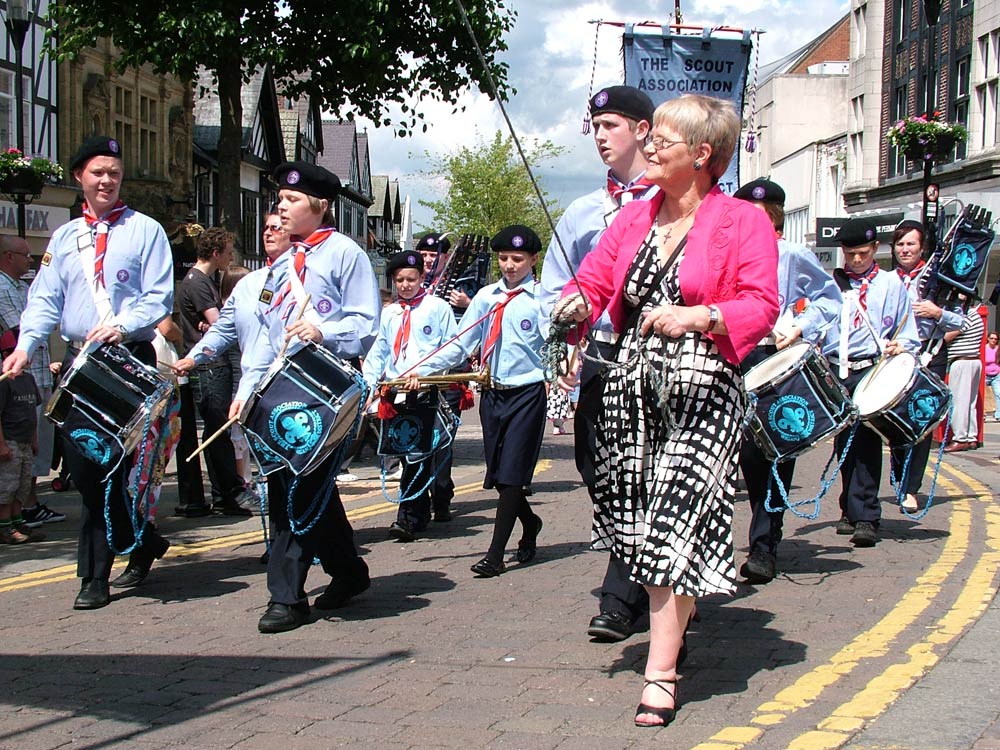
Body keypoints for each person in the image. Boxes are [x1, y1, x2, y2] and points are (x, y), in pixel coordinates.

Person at [553, 94, 779, 728]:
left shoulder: (742, 221)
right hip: (632, 393)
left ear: (702, 155)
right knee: (640, 525)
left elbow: (760, 304)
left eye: (664, 141)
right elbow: (595, 281)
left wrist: (702, 315)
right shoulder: (633, 219)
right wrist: (573, 307)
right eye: (648, 138)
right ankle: (676, 613)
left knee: (674, 522)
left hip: (703, 391)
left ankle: (661, 672)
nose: (648, 147)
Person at [3, 134, 174, 610]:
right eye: (98, 172)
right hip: (80, 363)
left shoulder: (146, 230)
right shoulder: (63, 237)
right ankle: (142, 542)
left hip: (127, 360)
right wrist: (25, 347)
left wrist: (120, 326)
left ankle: (92, 576)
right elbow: (44, 300)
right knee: (84, 467)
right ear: (79, 176)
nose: (107, 180)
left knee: (117, 465)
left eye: (114, 173)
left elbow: (158, 297)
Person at [232, 161, 379, 633]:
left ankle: (287, 597)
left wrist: (324, 329)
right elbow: (265, 337)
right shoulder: (278, 267)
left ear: (320, 205)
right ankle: (349, 571)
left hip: (325, 390)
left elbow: (365, 322)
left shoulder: (344, 254)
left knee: (295, 488)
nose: (282, 208)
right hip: (279, 390)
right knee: (297, 484)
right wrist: (246, 390)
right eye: (280, 200)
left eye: (292, 200)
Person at [539, 84, 657, 643]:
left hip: (658, 355)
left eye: (610, 125)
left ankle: (622, 596)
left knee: (643, 474)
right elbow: (553, 287)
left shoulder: (670, 202)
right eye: (595, 127)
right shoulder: (585, 211)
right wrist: (563, 335)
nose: (600, 137)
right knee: (597, 467)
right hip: (601, 355)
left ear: (642, 129)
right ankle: (663, 578)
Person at [408, 225, 548, 577]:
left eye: (518, 259)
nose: (510, 266)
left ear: (533, 260)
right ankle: (530, 524)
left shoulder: (544, 299)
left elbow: (560, 343)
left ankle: (496, 554)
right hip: (493, 394)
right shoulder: (487, 298)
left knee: (515, 475)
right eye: (503, 259)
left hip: (527, 393)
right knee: (500, 477)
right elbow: (460, 342)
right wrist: (420, 369)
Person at [732, 178, 842, 584]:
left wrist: (798, 326)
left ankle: (764, 544)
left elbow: (830, 298)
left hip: (772, 356)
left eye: (763, 219)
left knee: (774, 452)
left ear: (776, 221)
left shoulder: (791, 254)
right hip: (730, 356)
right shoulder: (723, 255)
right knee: (733, 454)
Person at [824, 217, 919, 547]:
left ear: (875, 249)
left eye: (863, 253)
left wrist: (899, 345)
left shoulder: (892, 286)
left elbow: (909, 335)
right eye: (850, 254)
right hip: (836, 369)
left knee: (865, 441)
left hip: (871, 367)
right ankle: (849, 508)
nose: (857, 260)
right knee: (843, 443)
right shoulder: (831, 285)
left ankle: (866, 514)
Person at [362, 250, 457, 542]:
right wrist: (367, 384)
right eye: (400, 280)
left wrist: (424, 369)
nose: (405, 285)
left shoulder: (437, 308)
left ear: (421, 278)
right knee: (403, 452)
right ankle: (418, 508)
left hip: (425, 388)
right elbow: (379, 351)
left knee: (419, 453)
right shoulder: (390, 313)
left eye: (411, 279)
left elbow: (452, 347)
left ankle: (408, 517)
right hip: (396, 391)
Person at [888, 220, 964, 512]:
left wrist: (938, 312)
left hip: (930, 354)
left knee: (921, 422)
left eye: (911, 244)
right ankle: (899, 477)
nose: (905, 250)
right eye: (900, 244)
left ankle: (911, 488)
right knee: (897, 422)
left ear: (922, 248)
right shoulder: (886, 280)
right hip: (896, 357)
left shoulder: (938, 281)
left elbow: (961, 320)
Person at [178, 227, 250, 516]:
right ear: (217, 252)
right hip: (209, 365)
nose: (230, 257)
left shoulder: (202, 281)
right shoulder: (198, 282)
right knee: (217, 430)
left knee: (216, 429)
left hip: (210, 364)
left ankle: (224, 493)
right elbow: (220, 323)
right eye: (229, 252)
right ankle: (227, 494)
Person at [0, 235, 64, 528]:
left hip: (38, 376)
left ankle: (30, 502)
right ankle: (23, 506)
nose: (31, 261)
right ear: (8, 256)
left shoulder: (22, 287)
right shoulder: (2, 287)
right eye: (25, 255)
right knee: (19, 447)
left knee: (36, 445)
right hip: (18, 378)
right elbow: (20, 328)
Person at [0, 329, 43, 544]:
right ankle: (4, 528)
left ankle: (18, 523)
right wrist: (2, 445)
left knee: (22, 486)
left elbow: (32, 413)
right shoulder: (4, 382)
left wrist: (35, 439)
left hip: (26, 441)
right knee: (7, 486)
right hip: (10, 441)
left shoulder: (28, 379)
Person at [943, 306, 985, 451]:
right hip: (973, 359)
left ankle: (960, 438)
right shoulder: (975, 315)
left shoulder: (965, 315)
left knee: (958, 401)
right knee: (970, 402)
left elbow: (947, 336)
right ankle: (971, 437)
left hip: (961, 361)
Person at [984, 331, 1000, 421]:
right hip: (986, 375)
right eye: (992, 338)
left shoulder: (998, 349)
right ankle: (983, 414)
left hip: (997, 375)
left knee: (998, 394)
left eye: (995, 339)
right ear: (988, 339)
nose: (993, 340)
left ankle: (998, 415)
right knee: (984, 395)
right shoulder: (984, 349)